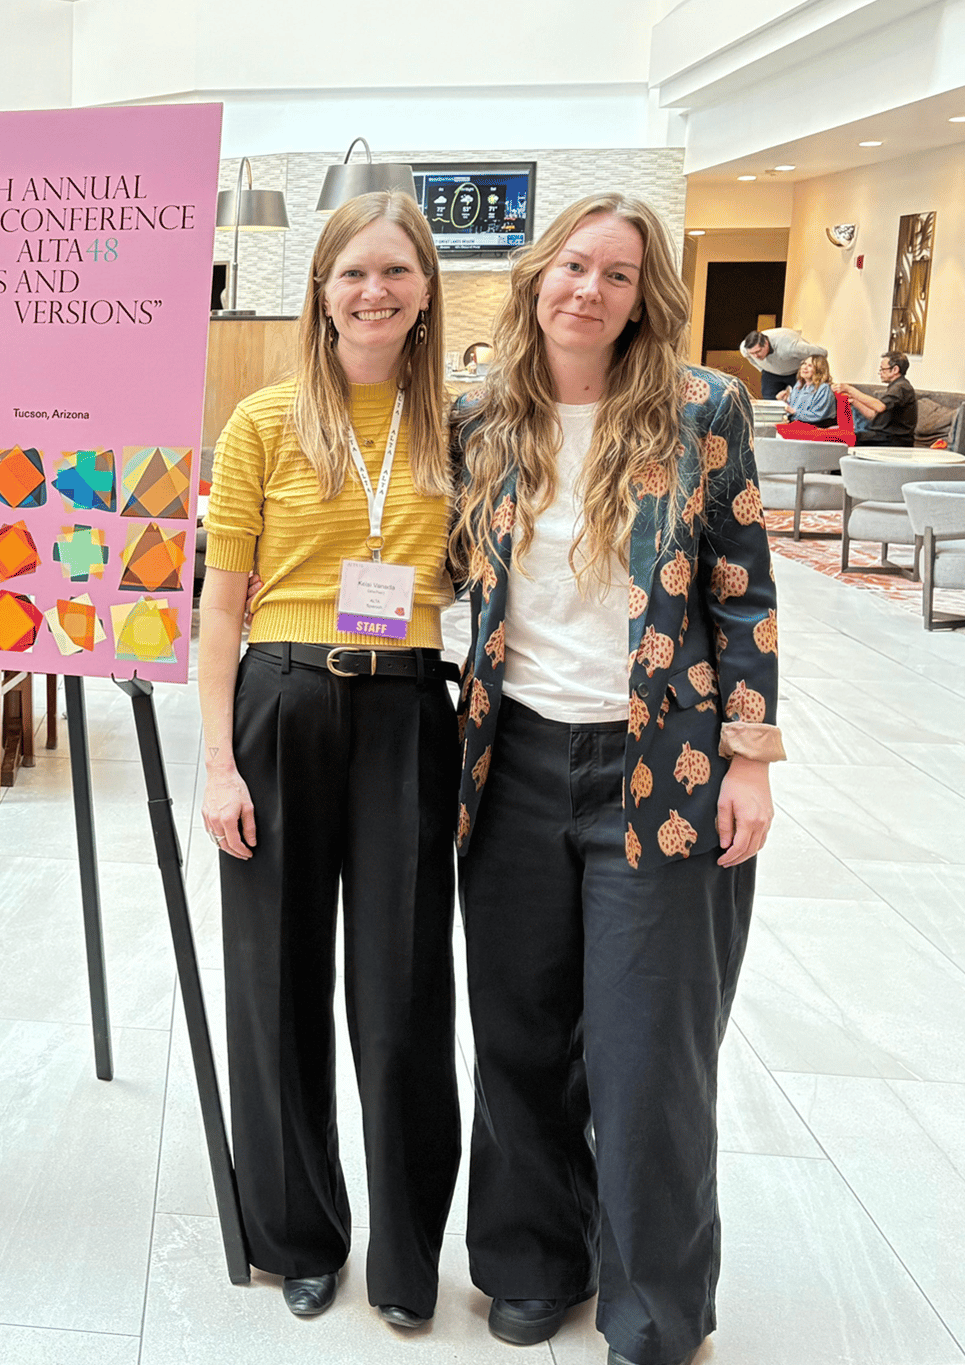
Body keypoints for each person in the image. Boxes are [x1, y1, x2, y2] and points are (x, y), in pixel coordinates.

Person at [451, 193, 781, 1365]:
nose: (591, 290)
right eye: (575, 266)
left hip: (666, 768)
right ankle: (535, 1259)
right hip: (515, 762)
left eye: (621, 275)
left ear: (648, 297)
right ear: (539, 274)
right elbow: (438, 562)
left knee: (650, 1060)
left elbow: (741, 589)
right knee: (521, 1037)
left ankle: (655, 1307)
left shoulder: (701, 410)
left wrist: (750, 760)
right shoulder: (481, 412)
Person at [197, 191, 461, 1328]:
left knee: (402, 996)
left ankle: (407, 1258)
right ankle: (299, 1233)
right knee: (276, 987)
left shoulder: (464, 425)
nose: (375, 291)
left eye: (397, 272)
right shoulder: (262, 421)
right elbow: (220, 608)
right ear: (321, 287)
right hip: (283, 700)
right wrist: (217, 763)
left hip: (408, 709)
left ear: (426, 290)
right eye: (354, 272)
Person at [839, 349, 917, 447]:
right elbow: (873, 415)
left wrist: (851, 390)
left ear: (895, 370)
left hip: (895, 440)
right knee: (846, 437)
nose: (880, 373)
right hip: (884, 437)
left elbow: (880, 407)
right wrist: (854, 401)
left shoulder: (901, 387)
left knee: (846, 439)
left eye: (882, 369)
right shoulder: (895, 387)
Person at [739, 327, 825, 400]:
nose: (756, 356)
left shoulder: (791, 347)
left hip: (796, 372)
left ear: (766, 343)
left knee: (802, 399)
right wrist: (762, 369)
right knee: (769, 401)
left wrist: (811, 370)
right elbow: (749, 358)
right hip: (770, 373)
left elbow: (822, 353)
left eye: (758, 351)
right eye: (752, 353)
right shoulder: (744, 349)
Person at [780, 354, 835, 425]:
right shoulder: (799, 385)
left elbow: (818, 415)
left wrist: (794, 412)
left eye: (810, 366)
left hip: (818, 425)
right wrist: (782, 401)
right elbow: (791, 408)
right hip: (798, 423)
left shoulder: (824, 388)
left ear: (819, 370)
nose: (804, 367)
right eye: (804, 364)